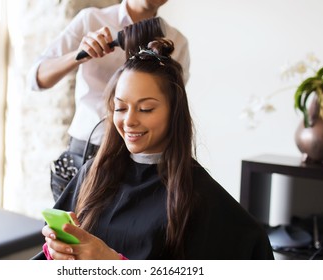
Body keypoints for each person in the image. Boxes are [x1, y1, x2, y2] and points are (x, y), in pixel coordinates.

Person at [33, 38, 274, 260]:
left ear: (174, 113)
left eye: (146, 109)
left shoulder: (198, 195)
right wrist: (57, 251)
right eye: (120, 108)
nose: (129, 121)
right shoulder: (93, 173)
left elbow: (255, 249)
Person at [28, 0, 190, 201]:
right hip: (86, 150)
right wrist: (79, 55)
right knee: (70, 229)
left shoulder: (177, 42)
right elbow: (36, 78)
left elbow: (173, 108)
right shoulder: (92, 20)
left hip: (140, 159)